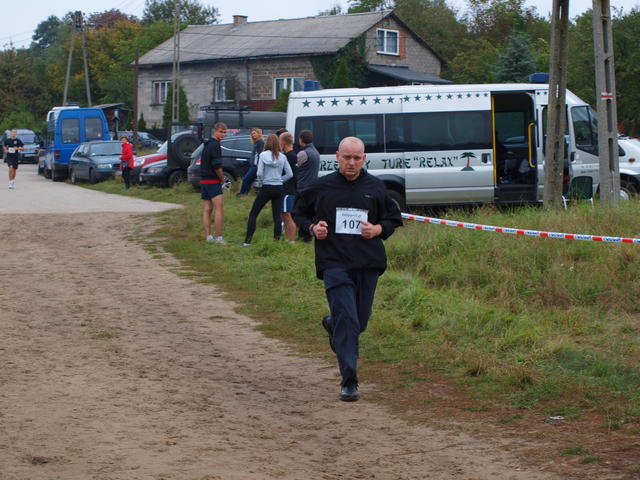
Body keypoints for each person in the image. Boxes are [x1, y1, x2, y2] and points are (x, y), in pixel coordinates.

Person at [293, 137, 402, 402]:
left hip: (367, 263)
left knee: (359, 320)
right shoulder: (321, 187)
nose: (351, 163)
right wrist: (313, 228)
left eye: (356, 158)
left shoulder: (375, 187)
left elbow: (393, 218)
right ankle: (349, 380)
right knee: (348, 320)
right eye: (346, 157)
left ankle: (333, 325)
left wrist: (377, 229)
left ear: (363, 159)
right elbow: (299, 212)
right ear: (337, 157)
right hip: (334, 263)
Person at [243, 133, 293, 245]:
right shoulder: (283, 157)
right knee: (277, 217)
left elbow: (259, 173)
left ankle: (247, 241)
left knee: (253, 214)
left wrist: (262, 182)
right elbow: (290, 174)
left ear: (267, 143)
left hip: (266, 187)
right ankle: (276, 242)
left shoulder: (263, 155)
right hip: (279, 188)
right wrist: (280, 180)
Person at [201, 122, 228, 244]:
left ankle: (208, 236)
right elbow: (217, 165)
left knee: (207, 209)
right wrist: (222, 178)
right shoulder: (215, 145)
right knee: (219, 209)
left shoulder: (207, 144)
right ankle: (219, 237)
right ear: (215, 131)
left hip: (204, 180)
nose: (223, 134)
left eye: (225, 132)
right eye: (221, 132)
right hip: (212, 180)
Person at [295, 129, 320, 241]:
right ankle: (306, 236)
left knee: (298, 213)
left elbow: (296, 167)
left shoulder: (303, 153)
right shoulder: (315, 152)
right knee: (309, 214)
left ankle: (304, 236)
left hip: (302, 187)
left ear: (301, 140)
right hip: (312, 187)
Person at [279, 132, 298, 241]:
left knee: (287, 216)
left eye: (280, 141)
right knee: (284, 216)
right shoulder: (293, 155)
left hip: (288, 190)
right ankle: (288, 238)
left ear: (283, 142)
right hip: (289, 190)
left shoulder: (289, 156)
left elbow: (291, 175)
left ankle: (291, 241)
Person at [237, 128, 264, 196]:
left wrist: (258, 165)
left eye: (254, 133)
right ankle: (245, 193)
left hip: (256, 165)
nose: (253, 135)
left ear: (258, 133)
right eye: (252, 134)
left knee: (246, 179)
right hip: (253, 165)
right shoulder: (256, 142)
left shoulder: (260, 142)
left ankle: (242, 193)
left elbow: (260, 154)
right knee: (249, 179)